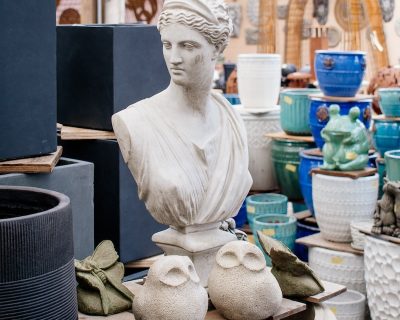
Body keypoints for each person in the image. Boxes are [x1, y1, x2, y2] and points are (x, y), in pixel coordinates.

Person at [112, 0, 252, 228]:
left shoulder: (231, 120)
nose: (174, 58)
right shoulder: (136, 122)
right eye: (167, 45)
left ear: (216, 48)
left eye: (188, 46)